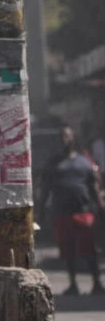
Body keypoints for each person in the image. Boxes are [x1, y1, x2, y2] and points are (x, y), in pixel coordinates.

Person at [38, 125, 105, 296]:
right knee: (68, 252)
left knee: (89, 250)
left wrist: (100, 207)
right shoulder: (52, 163)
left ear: (73, 138)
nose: (64, 139)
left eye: (67, 136)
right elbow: (45, 189)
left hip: (83, 212)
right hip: (62, 213)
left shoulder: (84, 161)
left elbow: (94, 186)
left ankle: (97, 283)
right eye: (62, 136)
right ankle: (73, 284)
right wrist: (40, 212)